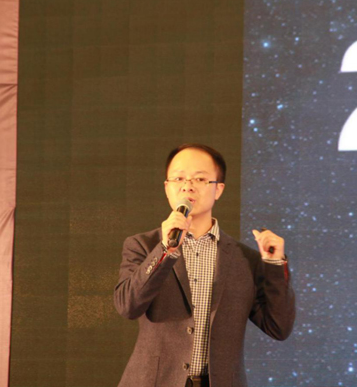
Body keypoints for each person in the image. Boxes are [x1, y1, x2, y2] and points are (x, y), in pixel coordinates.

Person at [114, 143, 295, 387]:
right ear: (167, 188)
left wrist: (274, 265)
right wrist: (165, 250)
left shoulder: (245, 259)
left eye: (200, 179)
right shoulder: (143, 246)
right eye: (178, 178)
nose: (187, 186)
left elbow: (278, 327)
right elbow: (128, 306)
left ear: (218, 189)